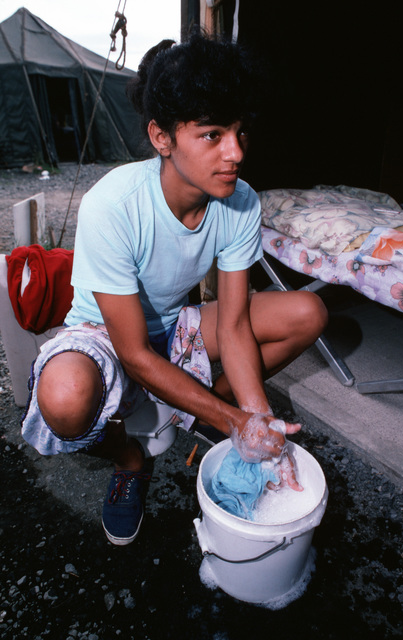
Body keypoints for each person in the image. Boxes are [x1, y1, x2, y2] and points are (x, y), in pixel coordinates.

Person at [21, 33, 328, 546]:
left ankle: (194, 412)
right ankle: (131, 458)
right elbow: (134, 353)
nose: (235, 153)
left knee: (307, 311)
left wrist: (256, 420)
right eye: (212, 134)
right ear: (162, 138)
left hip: (176, 324)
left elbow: (231, 325)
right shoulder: (113, 206)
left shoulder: (240, 202)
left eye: (240, 131)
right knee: (66, 397)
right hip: (108, 335)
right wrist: (235, 421)